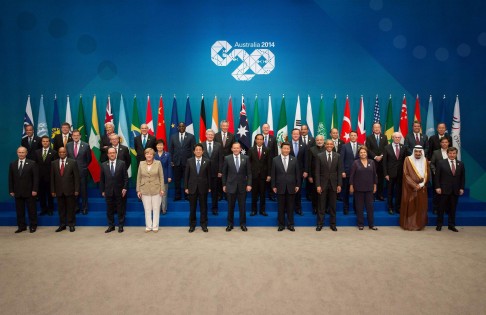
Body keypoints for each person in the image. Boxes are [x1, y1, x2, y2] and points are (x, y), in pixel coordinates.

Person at [271, 142, 301, 232]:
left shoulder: (294, 159)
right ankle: (281, 225)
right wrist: (273, 185)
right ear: (281, 149)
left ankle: (290, 224)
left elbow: (297, 174)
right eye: (285, 148)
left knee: (290, 207)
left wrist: (298, 185)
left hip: (291, 186)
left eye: (288, 149)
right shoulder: (275, 160)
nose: (286, 150)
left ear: (290, 149)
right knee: (280, 207)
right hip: (279, 186)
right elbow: (273, 174)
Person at [223, 142, 252, 232]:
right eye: (234, 148)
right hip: (230, 186)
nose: (236, 149)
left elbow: (249, 173)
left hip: (242, 186)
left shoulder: (246, 158)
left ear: (240, 149)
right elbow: (224, 173)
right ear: (231, 149)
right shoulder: (227, 158)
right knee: (230, 207)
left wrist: (249, 184)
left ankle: (243, 224)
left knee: (242, 207)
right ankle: (229, 224)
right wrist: (224, 185)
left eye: (237, 148)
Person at [9, 146, 39, 233]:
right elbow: (10, 178)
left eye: (23, 152)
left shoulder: (32, 163)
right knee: (19, 210)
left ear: (26, 153)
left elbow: (36, 178)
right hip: (17, 191)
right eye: (19, 152)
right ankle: (21, 226)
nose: (21, 154)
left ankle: (33, 226)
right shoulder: (13, 164)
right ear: (17, 153)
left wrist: (35, 190)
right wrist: (11, 190)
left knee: (32, 210)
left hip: (30, 191)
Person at [435, 147, 465, 232]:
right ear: (447, 154)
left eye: (454, 153)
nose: (452, 155)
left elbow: (462, 177)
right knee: (441, 208)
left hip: (455, 190)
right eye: (450, 153)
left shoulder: (461, 164)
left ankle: (451, 225)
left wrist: (462, 188)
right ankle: (439, 225)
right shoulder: (441, 163)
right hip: (443, 189)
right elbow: (437, 176)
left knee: (453, 208)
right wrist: (437, 187)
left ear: (456, 154)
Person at [315, 139, 343, 231]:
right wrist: (318, 185)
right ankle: (320, 224)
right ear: (325, 145)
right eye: (328, 144)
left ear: (333, 146)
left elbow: (339, 171)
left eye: (331, 144)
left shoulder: (338, 156)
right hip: (322, 184)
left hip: (334, 184)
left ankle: (333, 224)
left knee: (333, 206)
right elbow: (317, 172)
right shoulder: (319, 156)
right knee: (321, 206)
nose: (329, 145)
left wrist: (339, 184)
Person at [400, 145, 430, 231]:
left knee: (421, 205)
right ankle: (409, 224)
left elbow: (427, 173)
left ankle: (419, 224)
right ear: (413, 152)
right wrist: (414, 185)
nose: (418, 153)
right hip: (410, 187)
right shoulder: (408, 159)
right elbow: (406, 174)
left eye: (419, 152)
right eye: (416, 151)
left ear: (422, 152)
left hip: (422, 187)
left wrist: (422, 184)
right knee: (411, 206)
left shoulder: (425, 160)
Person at [51, 147, 80, 232]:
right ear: (58, 153)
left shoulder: (72, 162)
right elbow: (52, 178)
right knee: (61, 209)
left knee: (71, 209)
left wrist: (76, 190)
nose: (62, 153)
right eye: (60, 152)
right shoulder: (54, 163)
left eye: (63, 152)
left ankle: (71, 224)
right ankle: (62, 225)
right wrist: (53, 190)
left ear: (66, 153)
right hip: (59, 191)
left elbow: (76, 178)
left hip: (70, 190)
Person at [100, 148, 128, 233]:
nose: (112, 154)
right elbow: (102, 179)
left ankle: (120, 226)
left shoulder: (122, 163)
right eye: (110, 153)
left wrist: (125, 188)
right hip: (108, 191)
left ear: (116, 153)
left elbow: (125, 178)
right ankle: (111, 226)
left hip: (119, 190)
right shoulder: (104, 165)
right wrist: (102, 190)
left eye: (113, 153)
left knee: (120, 209)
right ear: (107, 154)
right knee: (109, 209)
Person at [184, 143, 211, 233]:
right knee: (192, 207)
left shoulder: (207, 161)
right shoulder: (189, 161)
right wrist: (186, 187)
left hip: (203, 187)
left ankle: (204, 224)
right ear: (194, 151)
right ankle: (192, 225)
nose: (198, 151)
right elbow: (186, 175)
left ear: (203, 151)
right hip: (192, 188)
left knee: (204, 207)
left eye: (200, 150)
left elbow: (209, 176)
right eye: (197, 150)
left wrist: (209, 187)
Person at [350, 146, 378, 230]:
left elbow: (374, 175)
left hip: (369, 188)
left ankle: (371, 225)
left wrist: (375, 185)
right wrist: (351, 185)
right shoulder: (355, 163)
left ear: (367, 153)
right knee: (359, 207)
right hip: (358, 188)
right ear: (359, 154)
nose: (363, 154)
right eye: (361, 152)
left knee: (370, 207)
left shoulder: (371, 162)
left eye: (364, 152)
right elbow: (352, 176)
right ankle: (360, 224)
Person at [136, 148, 164, 232]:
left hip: (156, 189)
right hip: (144, 189)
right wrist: (138, 190)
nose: (149, 155)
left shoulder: (158, 163)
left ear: (153, 155)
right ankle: (148, 226)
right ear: (145, 155)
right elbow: (139, 177)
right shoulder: (141, 163)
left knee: (156, 208)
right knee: (147, 209)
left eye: (150, 154)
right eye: (147, 154)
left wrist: (162, 189)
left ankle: (155, 226)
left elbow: (161, 177)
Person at [66, 129, 91, 215]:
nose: (76, 137)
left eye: (77, 135)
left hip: (82, 172)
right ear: (72, 136)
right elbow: (67, 158)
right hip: (71, 173)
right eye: (74, 135)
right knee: (73, 191)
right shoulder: (68, 145)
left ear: (80, 136)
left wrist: (83, 167)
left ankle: (84, 208)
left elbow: (89, 159)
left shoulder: (86, 145)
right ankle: (75, 207)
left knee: (83, 191)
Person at [169, 122, 196, 201]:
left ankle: (187, 195)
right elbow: (171, 149)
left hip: (187, 162)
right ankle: (177, 196)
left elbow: (193, 150)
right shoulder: (173, 137)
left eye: (183, 126)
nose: (181, 127)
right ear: (177, 127)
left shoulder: (191, 137)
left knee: (187, 180)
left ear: (185, 127)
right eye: (180, 126)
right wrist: (171, 160)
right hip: (176, 162)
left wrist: (192, 162)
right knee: (177, 180)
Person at [383, 132, 406, 215]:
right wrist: (386, 174)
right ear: (392, 138)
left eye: (399, 137)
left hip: (401, 174)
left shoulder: (404, 147)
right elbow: (384, 162)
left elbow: (405, 161)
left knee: (399, 192)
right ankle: (390, 208)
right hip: (390, 174)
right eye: (395, 137)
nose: (397, 139)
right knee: (390, 192)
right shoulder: (387, 148)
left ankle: (398, 207)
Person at [34, 136, 58, 216]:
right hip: (40, 178)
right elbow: (35, 165)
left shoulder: (54, 152)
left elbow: (55, 166)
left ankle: (50, 209)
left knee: (50, 195)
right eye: (43, 141)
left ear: (49, 142)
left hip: (50, 178)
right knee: (41, 195)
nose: (45, 142)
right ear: (41, 142)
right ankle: (43, 209)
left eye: (47, 141)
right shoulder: (37, 152)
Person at [248, 134, 271, 216]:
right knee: (254, 194)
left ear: (263, 140)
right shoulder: (251, 149)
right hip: (254, 176)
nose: (259, 141)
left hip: (263, 176)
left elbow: (269, 163)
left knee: (262, 194)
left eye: (261, 139)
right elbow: (248, 163)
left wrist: (269, 175)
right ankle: (254, 210)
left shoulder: (267, 149)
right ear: (255, 140)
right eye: (258, 139)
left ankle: (262, 210)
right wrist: (249, 175)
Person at [202, 129, 223, 215]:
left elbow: (221, 159)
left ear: (214, 136)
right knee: (204, 192)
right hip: (204, 173)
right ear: (206, 135)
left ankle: (215, 208)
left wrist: (220, 171)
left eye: (212, 135)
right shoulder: (201, 145)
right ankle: (204, 208)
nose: (210, 136)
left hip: (215, 172)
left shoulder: (218, 145)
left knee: (215, 192)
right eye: (209, 134)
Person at [340, 130, 361, 215]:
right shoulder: (344, 146)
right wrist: (342, 171)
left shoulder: (361, 146)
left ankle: (357, 208)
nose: (353, 137)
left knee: (357, 192)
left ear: (357, 136)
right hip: (347, 173)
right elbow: (341, 160)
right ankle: (346, 208)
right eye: (351, 135)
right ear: (349, 136)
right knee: (346, 192)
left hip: (358, 173)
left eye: (354, 135)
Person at [365, 122, 387, 201]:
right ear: (372, 129)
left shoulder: (384, 137)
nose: (377, 129)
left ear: (380, 129)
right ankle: (372, 195)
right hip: (372, 161)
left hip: (381, 162)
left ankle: (380, 194)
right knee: (372, 178)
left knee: (381, 179)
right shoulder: (369, 137)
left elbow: (386, 149)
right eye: (375, 127)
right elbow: (368, 149)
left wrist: (381, 156)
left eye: (378, 127)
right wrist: (375, 157)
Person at [214, 120, 236, 201]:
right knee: (219, 178)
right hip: (218, 160)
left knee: (228, 177)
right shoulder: (216, 136)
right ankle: (219, 194)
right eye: (223, 126)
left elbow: (233, 148)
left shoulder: (232, 136)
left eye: (226, 126)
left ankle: (227, 194)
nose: (225, 127)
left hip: (229, 160)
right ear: (221, 126)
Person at [289, 128, 308, 215]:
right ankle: (289, 208)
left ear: (299, 135)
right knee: (289, 190)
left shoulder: (303, 145)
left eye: (297, 134)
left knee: (298, 191)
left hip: (300, 172)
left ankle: (298, 208)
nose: (296, 135)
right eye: (294, 134)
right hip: (288, 172)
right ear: (291, 135)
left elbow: (306, 159)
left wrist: (305, 171)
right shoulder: (287, 144)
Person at [430, 137, 451, 214]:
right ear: (440, 143)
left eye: (446, 142)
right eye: (443, 142)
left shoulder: (452, 151)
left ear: (448, 143)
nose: (444, 144)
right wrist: (435, 172)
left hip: (449, 177)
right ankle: (436, 208)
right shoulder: (436, 152)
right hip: (438, 177)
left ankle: (446, 208)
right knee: (437, 194)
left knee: (448, 193)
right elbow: (432, 163)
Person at [307, 135, 326, 214]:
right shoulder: (311, 150)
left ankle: (325, 208)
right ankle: (315, 208)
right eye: (317, 140)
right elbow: (309, 163)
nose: (319, 141)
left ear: (323, 140)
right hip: (315, 176)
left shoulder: (327, 148)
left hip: (325, 175)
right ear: (315, 141)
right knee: (315, 193)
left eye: (321, 140)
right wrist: (310, 176)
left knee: (325, 193)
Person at [154, 139, 172, 215]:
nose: (160, 146)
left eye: (161, 145)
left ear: (163, 146)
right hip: (155, 176)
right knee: (156, 193)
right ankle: (157, 208)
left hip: (165, 175)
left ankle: (164, 209)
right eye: (158, 145)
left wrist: (169, 176)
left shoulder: (167, 154)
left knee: (164, 193)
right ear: (156, 146)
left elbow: (169, 166)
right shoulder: (153, 154)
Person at [261, 123, 278, 201]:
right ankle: (261, 194)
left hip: (271, 162)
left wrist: (275, 161)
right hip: (261, 163)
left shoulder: (273, 138)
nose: (266, 129)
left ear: (269, 128)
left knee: (271, 179)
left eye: (267, 127)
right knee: (261, 179)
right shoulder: (259, 138)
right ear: (262, 129)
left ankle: (271, 194)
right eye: (264, 128)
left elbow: (275, 151)